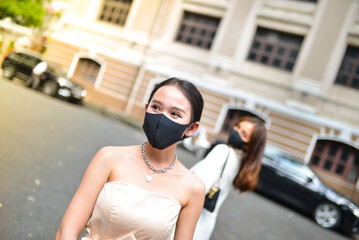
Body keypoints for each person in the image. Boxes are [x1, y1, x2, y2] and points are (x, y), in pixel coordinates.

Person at [55, 77, 206, 240]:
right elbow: (67, 230)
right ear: (146, 109)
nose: (162, 118)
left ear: (191, 128)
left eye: (175, 114)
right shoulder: (109, 158)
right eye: (156, 107)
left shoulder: (193, 188)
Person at [191, 116, 267, 240]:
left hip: (189, 223)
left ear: (250, 145)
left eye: (244, 134)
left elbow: (195, 188)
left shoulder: (223, 151)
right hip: (204, 226)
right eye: (237, 126)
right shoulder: (243, 164)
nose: (235, 131)